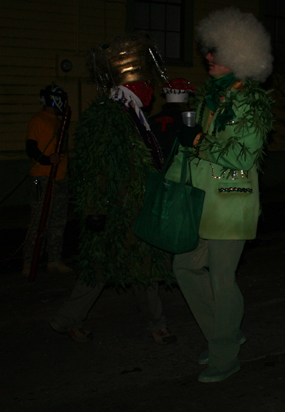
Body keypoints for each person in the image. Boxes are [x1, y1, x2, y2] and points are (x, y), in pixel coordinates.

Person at [168, 7, 274, 383]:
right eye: (208, 50)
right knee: (184, 266)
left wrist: (197, 140)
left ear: (240, 56)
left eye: (216, 51)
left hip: (230, 201)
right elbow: (193, 148)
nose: (208, 57)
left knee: (221, 278)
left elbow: (242, 156)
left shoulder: (249, 103)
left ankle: (224, 354)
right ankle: (223, 333)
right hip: (201, 200)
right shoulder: (211, 98)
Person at [50, 33, 175, 344]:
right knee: (100, 269)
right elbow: (93, 167)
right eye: (147, 85)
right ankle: (68, 319)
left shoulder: (134, 115)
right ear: (134, 86)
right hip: (113, 210)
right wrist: (94, 210)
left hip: (135, 208)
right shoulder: (109, 114)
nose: (152, 92)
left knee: (142, 267)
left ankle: (155, 323)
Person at [24, 84, 71, 276]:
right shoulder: (38, 120)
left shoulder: (59, 122)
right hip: (43, 178)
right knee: (37, 222)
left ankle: (54, 260)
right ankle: (29, 263)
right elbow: (31, 148)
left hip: (60, 178)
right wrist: (46, 159)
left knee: (58, 221)